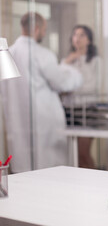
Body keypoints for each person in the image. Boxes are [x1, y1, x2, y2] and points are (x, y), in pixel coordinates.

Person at [1, 12, 83, 173]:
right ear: (37, 29)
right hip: (45, 124)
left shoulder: (6, 53)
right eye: (44, 29)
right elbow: (62, 83)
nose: (45, 33)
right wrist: (72, 71)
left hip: (18, 124)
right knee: (49, 175)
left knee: (23, 174)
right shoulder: (41, 54)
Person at [60, 25, 102, 169]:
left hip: (87, 111)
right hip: (69, 111)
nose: (77, 38)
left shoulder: (96, 61)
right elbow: (59, 83)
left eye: (82, 35)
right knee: (74, 155)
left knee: (83, 153)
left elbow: (93, 87)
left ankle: (95, 185)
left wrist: (70, 88)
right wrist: (67, 62)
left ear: (89, 40)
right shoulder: (66, 60)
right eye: (75, 35)